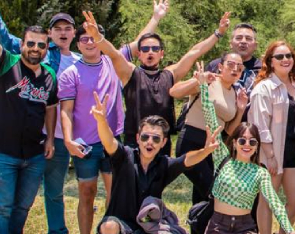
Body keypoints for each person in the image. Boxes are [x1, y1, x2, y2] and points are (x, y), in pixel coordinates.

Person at [195, 69, 295, 234]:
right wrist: (203, 86)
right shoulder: (222, 157)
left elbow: (275, 202)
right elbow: (210, 116)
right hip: (218, 225)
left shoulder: (260, 172)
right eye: (242, 140)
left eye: (252, 141)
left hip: (245, 227)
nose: (247, 145)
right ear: (234, 142)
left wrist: (290, 230)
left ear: (257, 146)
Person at [0, 0, 58, 234]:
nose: (35, 48)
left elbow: (50, 107)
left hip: (34, 155)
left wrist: (50, 138)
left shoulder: (50, 75)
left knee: (23, 207)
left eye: (41, 45)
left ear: (46, 49)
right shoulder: (7, 63)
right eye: (30, 43)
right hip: (3, 151)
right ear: (22, 44)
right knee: (1, 208)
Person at [0, 10, 79, 234]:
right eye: (57, 29)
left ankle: (57, 231)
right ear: (50, 34)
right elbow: (6, 39)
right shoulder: (40, 52)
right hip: (33, 137)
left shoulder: (80, 60)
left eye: (67, 28)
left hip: (61, 137)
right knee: (9, 202)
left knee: (52, 192)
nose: (63, 33)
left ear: (74, 33)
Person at [94, 10, 230, 149]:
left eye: (155, 48)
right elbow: (114, 54)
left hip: (162, 143)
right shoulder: (130, 73)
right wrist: (97, 37)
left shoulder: (170, 74)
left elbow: (194, 52)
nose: (150, 52)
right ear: (139, 54)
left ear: (162, 53)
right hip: (135, 142)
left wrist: (218, 33)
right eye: (145, 49)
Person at [93, 96, 218, 234]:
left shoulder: (164, 165)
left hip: (147, 224)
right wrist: (102, 121)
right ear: (138, 138)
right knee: (109, 226)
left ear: (163, 142)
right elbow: (109, 142)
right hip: (120, 223)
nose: (150, 142)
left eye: (156, 138)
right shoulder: (125, 156)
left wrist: (205, 151)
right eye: (145, 137)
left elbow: (186, 159)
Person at [60, 14, 126, 234]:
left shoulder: (113, 62)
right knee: (87, 193)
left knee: (114, 193)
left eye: (93, 38)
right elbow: (66, 110)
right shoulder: (70, 74)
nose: (89, 42)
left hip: (112, 141)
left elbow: (138, 43)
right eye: (84, 39)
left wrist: (156, 17)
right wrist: (68, 140)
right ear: (78, 44)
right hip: (85, 144)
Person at [170, 51, 249, 204]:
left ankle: (198, 220)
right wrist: (198, 81)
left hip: (213, 147)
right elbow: (174, 92)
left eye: (239, 67)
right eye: (230, 65)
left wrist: (240, 109)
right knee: (213, 191)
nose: (235, 69)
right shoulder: (209, 81)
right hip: (192, 141)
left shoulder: (234, 93)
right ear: (220, 67)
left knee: (203, 196)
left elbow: (229, 130)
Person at [250, 41, 295, 234]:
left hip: (293, 151)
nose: (285, 59)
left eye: (288, 55)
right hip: (272, 152)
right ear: (270, 62)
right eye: (279, 56)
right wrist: (270, 155)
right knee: (267, 200)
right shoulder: (264, 88)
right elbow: (259, 124)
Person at [208, 22, 263, 92]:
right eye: (239, 38)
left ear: (255, 45)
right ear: (231, 44)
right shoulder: (216, 65)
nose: (243, 41)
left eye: (248, 38)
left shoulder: (262, 69)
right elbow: (203, 91)